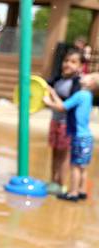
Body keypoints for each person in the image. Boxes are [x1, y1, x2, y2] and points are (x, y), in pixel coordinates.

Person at [43, 72, 98, 201]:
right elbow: (66, 105)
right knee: (82, 167)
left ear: (91, 83)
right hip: (87, 137)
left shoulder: (79, 95)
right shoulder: (87, 96)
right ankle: (82, 191)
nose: (84, 75)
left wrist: (48, 102)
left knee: (74, 167)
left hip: (78, 137)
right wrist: (53, 94)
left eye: (88, 76)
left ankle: (72, 193)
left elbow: (62, 107)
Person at [46, 49, 82, 195]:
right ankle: (53, 181)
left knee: (64, 155)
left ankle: (61, 183)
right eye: (66, 61)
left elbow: (67, 106)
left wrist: (53, 94)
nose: (68, 64)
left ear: (79, 67)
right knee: (54, 152)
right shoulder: (57, 80)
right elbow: (43, 84)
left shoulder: (76, 84)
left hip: (67, 125)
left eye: (73, 62)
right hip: (55, 122)